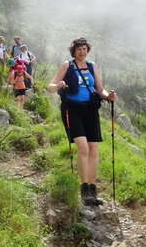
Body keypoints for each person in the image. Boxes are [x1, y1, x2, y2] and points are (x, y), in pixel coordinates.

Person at [46, 37, 118, 206]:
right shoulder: (67, 66)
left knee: (93, 149)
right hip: (72, 109)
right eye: (79, 49)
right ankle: (84, 188)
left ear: (87, 50)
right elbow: (50, 87)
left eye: (84, 48)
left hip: (91, 110)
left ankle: (92, 189)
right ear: (74, 51)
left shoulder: (92, 66)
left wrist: (109, 96)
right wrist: (59, 85)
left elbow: (100, 89)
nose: (82, 51)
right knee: (83, 147)